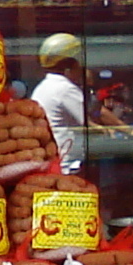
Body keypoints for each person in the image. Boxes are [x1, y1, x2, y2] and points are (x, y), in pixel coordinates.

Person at [31, 32, 90, 173]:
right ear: (70, 66)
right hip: (68, 165)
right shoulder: (65, 89)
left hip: (54, 162)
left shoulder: (44, 86)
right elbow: (88, 121)